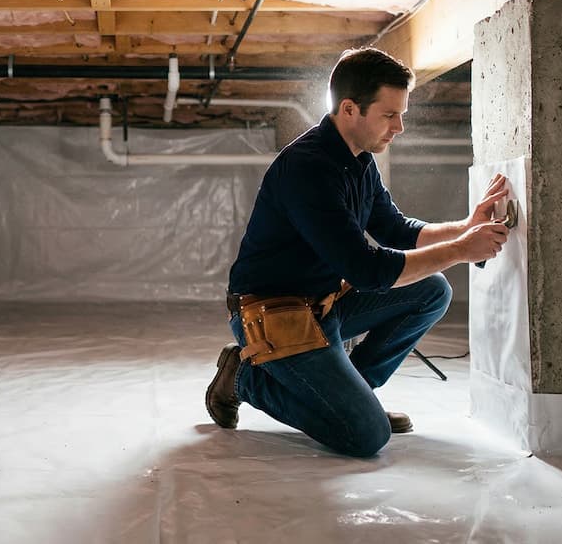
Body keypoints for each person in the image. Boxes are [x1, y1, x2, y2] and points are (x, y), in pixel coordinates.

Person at [204, 47, 510, 458]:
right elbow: (366, 269)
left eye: (401, 114)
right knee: (367, 436)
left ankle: (355, 395)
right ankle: (245, 378)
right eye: (389, 115)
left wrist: (465, 227)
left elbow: (396, 230)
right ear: (350, 109)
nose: (399, 127)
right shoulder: (308, 169)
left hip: (325, 307)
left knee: (431, 290)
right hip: (273, 316)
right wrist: (460, 250)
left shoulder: (360, 160)